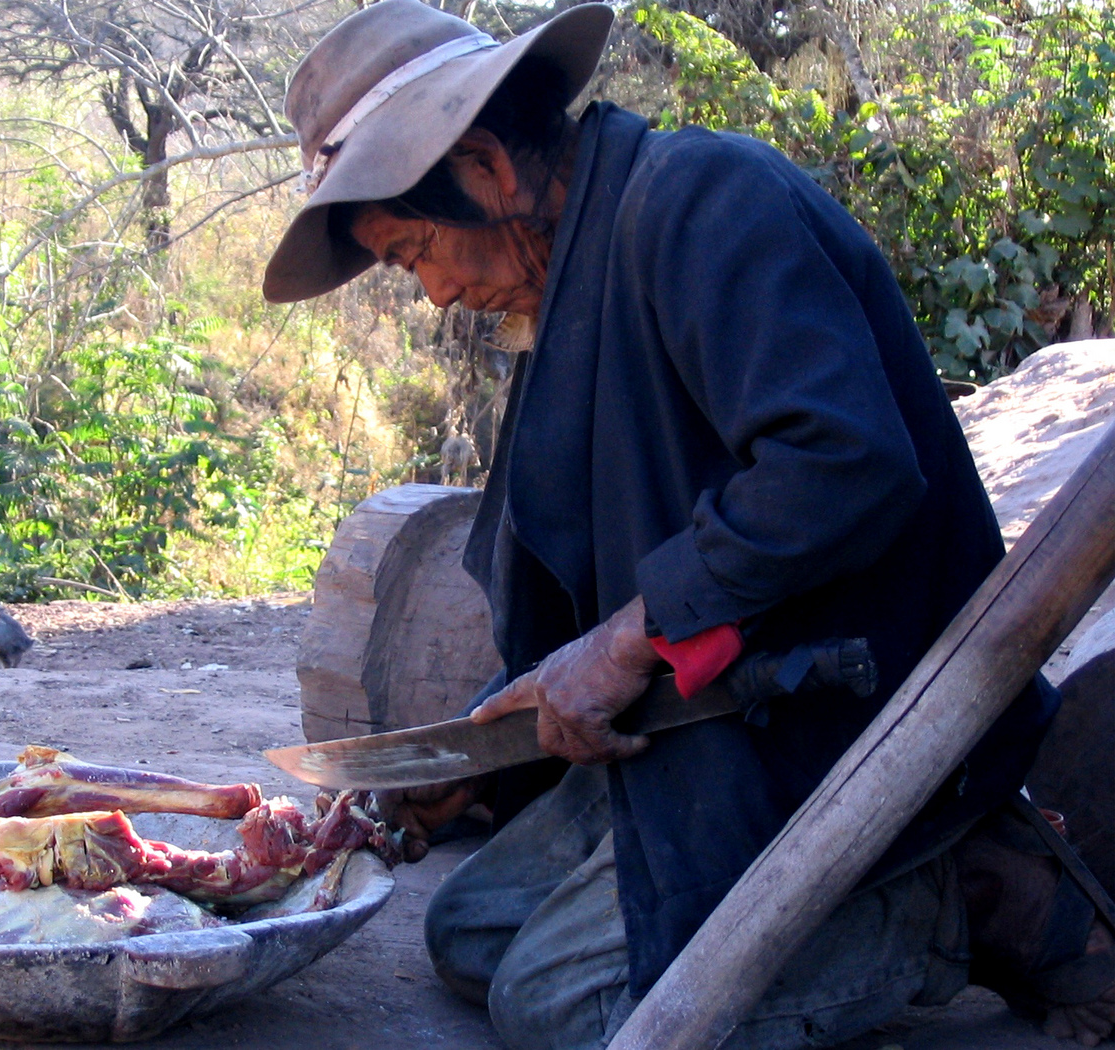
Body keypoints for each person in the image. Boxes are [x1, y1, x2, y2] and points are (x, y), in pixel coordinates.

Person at [262, 3, 1115, 1047]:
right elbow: (594, 570)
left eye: (417, 249)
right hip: (699, 719)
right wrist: (494, 753)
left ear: (486, 166)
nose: (438, 289)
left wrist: (625, 642)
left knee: (563, 1007)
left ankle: (962, 901)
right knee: (470, 933)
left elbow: (840, 461)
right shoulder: (567, 283)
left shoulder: (700, 198)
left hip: (830, 723)